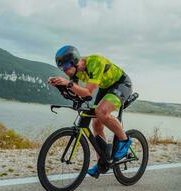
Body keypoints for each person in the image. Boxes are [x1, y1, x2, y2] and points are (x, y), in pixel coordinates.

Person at [48, 45, 133, 177]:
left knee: (101, 112)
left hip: (121, 84)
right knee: (96, 124)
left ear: (74, 62)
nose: (64, 71)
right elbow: (78, 93)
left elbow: (87, 92)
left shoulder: (95, 62)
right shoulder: (76, 72)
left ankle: (125, 141)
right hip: (105, 88)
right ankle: (102, 162)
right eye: (61, 68)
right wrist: (60, 86)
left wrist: (68, 83)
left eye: (65, 67)